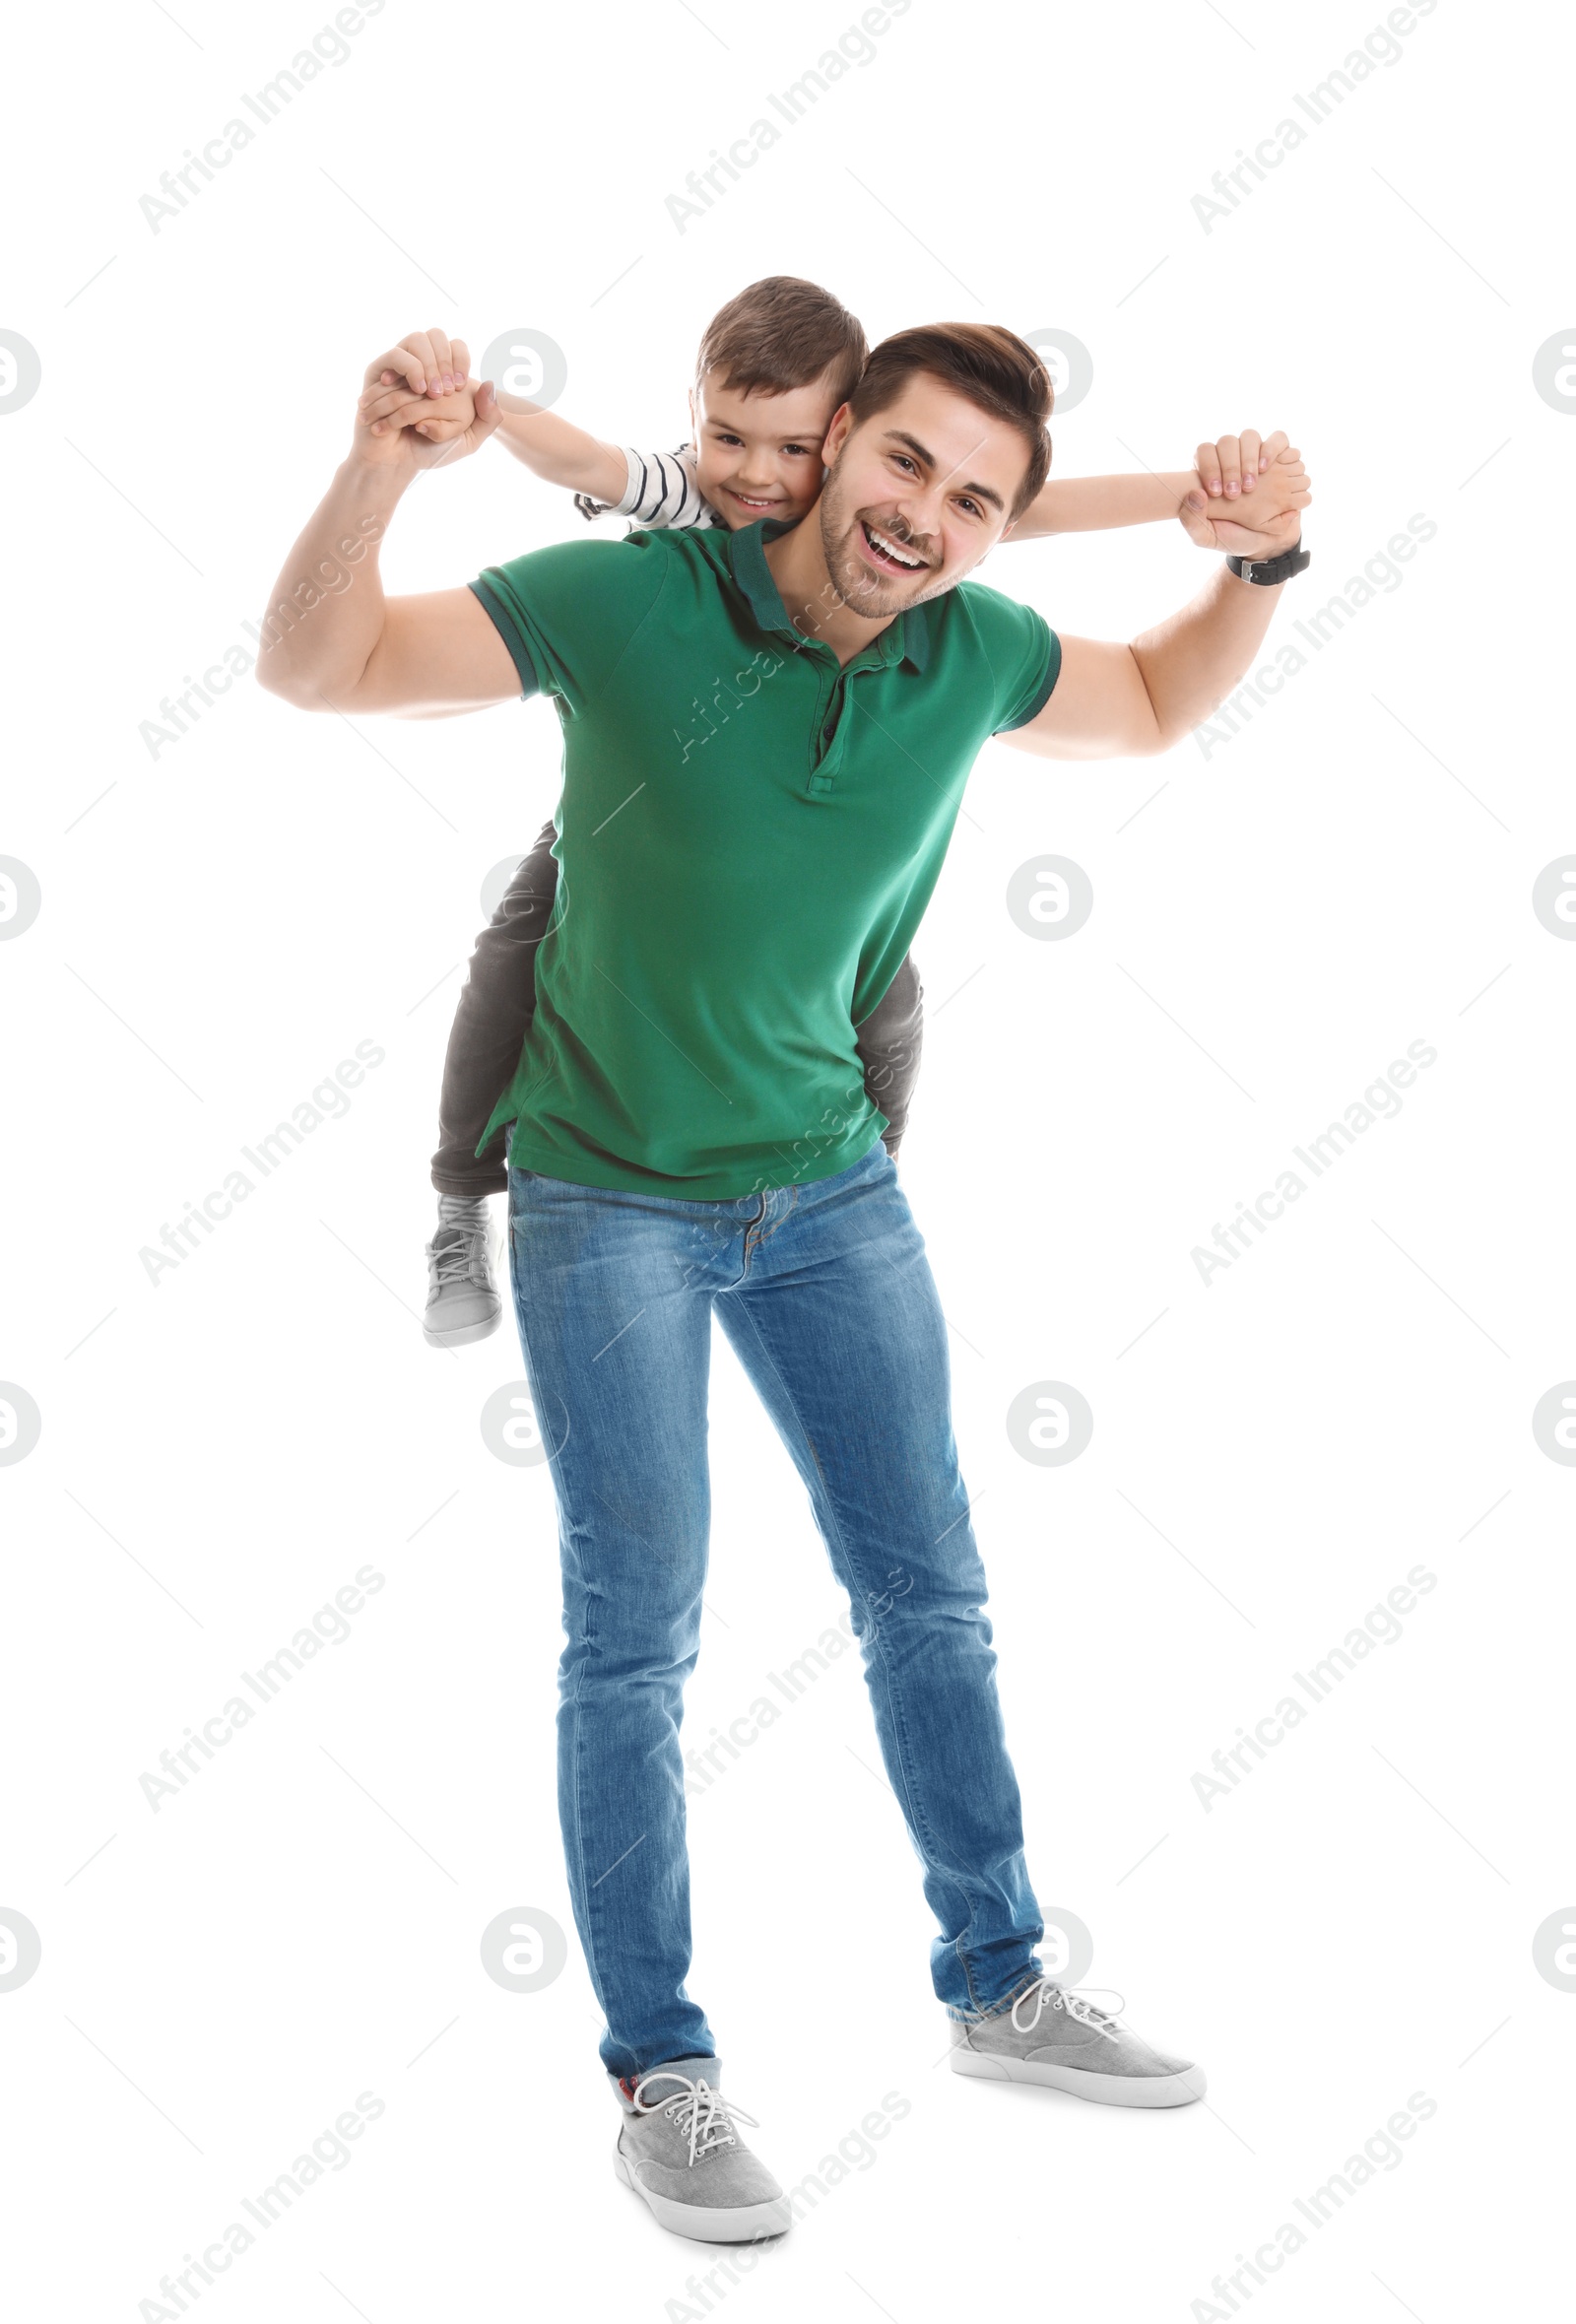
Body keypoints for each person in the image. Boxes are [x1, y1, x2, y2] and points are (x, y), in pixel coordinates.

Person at [255, 315, 1313, 2245]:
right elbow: (314, 665)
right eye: (901, 463)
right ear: (828, 448)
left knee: (929, 1588)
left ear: (999, 529)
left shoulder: (973, 649)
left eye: (975, 497)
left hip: (832, 1193)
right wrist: (383, 471)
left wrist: (1244, 561)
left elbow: (1158, 703)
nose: (925, 515)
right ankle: (662, 2072)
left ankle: (996, 1983)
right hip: (605, 1207)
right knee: (635, 1643)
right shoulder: (630, 599)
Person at [351, 281, 1308, 1349]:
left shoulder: (879, 515)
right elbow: (582, 463)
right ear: (701, 419)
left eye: (791, 446)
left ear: (838, 432)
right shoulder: (683, 500)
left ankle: (846, 1192)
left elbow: (1035, 506)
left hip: (814, 883)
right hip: (642, 825)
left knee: (887, 998)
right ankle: (457, 1193)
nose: (758, 477)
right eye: (728, 438)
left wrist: (1212, 502)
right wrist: (485, 411)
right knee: (516, 946)